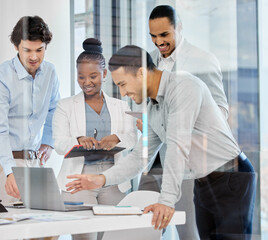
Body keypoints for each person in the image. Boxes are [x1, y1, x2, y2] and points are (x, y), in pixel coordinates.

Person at [65, 45, 256, 240]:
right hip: (203, 181)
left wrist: (166, 201)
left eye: (122, 84)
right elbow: (140, 156)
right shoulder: (154, 107)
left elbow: (177, 146)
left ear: (140, 73)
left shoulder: (184, 87)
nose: (122, 93)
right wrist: (102, 179)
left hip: (231, 176)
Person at [137, 5, 230, 239]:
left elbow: (221, 112)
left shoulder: (202, 60)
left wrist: (184, 123)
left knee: (187, 230)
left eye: (164, 35)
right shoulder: (149, 62)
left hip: (185, 162)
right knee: (138, 224)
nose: (159, 42)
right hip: (153, 159)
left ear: (178, 28)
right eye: (153, 36)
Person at [52, 38, 137, 240]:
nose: (86, 82)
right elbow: (58, 143)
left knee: (113, 236)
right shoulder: (65, 106)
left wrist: (117, 138)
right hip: (79, 180)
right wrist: (78, 139)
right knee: (84, 237)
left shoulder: (121, 106)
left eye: (93, 76)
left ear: (105, 74)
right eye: (81, 77)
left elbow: (133, 137)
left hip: (113, 180)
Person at [0, 16, 60, 206]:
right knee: (8, 230)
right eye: (27, 50)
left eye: (39, 50)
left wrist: (48, 143)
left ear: (45, 47)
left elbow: (53, 110)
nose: (34, 57)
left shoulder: (50, 72)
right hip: (2, 164)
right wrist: (10, 171)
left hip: (34, 162)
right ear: (17, 47)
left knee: (42, 227)